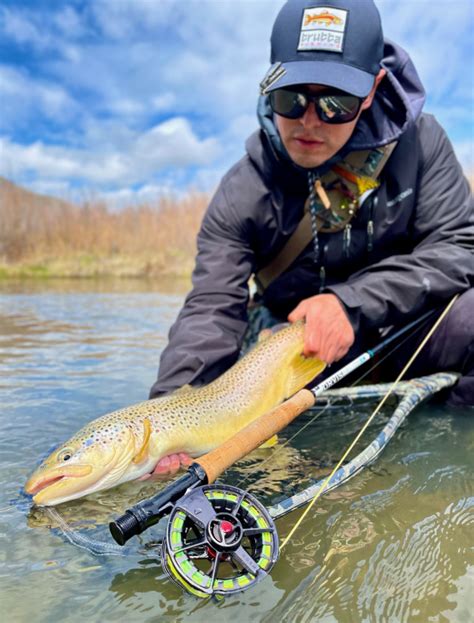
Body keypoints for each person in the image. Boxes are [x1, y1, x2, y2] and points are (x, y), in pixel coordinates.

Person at [149, 0, 474, 473]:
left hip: (394, 334)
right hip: (286, 359)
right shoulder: (244, 190)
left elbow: (459, 249)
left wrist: (352, 303)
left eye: (336, 103)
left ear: (371, 92)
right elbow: (211, 309)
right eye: (291, 97)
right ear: (270, 83)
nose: (309, 121)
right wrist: (168, 419)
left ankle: (446, 465)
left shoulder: (422, 145)